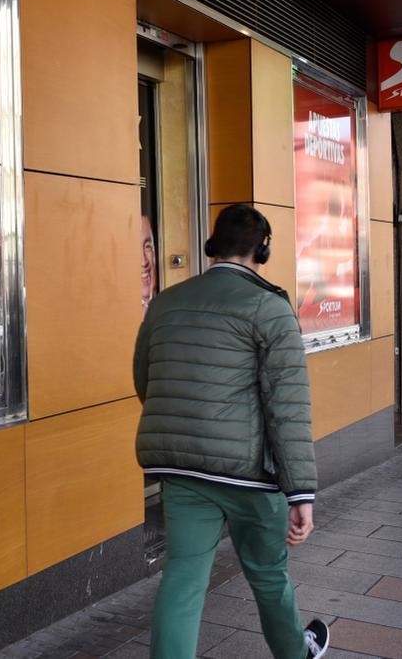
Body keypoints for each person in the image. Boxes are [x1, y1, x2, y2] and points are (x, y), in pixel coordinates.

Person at [133, 204, 329, 659]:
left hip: (181, 468)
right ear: (263, 249)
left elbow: (146, 378)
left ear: (214, 245)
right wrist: (301, 494)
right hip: (248, 474)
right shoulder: (270, 307)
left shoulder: (165, 303)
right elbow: (288, 407)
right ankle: (296, 653)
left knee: (182, 578)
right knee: (267, 573)